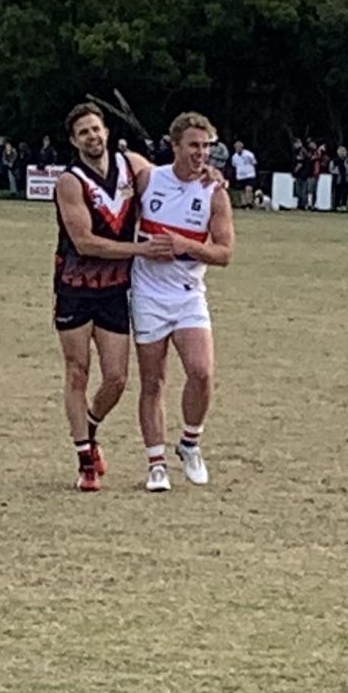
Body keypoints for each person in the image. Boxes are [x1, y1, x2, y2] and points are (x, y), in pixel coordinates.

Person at [53, 103, 174, 492]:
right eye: (83, 132)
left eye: (96, 129)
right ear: (74, 141)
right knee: (77, 370)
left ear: (106, 131)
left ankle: (88, 425)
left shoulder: (131, 165)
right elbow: (85, 242)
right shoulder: (70, 182)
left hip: (113, 290)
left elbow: (170, 186)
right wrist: (140, 250)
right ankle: (85, 459)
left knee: (117, 378)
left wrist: (208, 177)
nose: (92, 136)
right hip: (75, 286)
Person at [130, 112, 235, 492]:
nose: (201, 153)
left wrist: (184, 245)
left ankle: (190, 443)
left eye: (206, 146)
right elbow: (119, 161)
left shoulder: (214, 192)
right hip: (147, 294)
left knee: (201, 370)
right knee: (152, 381)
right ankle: (155, 463)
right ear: (174, 146)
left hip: (189, 295)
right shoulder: (149, 179)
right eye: (193, 145)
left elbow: (224, 253)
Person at [231, 140, 257, 208]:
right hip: (240, 176)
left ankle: (249, 202)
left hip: (249, 174)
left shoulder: (249, 154)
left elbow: (254, 162)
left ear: (242, 147)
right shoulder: (234, 157)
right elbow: (234, 165)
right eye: (236, 147)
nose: (237, 149)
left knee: (248, 189)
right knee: (242, 190)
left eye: (239, 147)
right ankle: (244, 203)